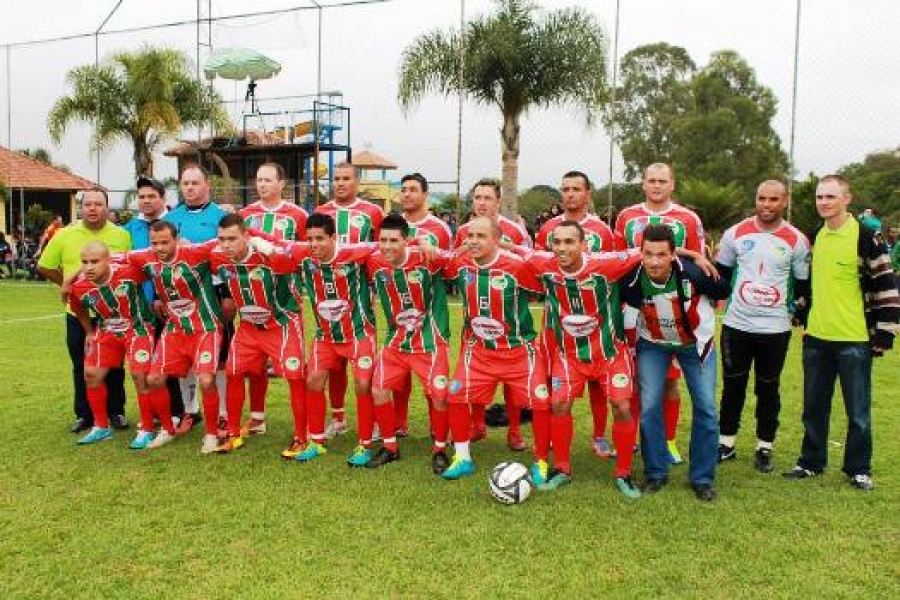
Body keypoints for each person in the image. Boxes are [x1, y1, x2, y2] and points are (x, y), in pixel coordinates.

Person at [783, 175, 899, 491]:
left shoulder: (866, 237)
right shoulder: (815, 237)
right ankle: (811, 462)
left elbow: (886, 286)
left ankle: (858, 469)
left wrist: (884, 334)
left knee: (858, 412)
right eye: (820, 197)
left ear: (847, 199)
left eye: (831, 197)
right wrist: (801, 310)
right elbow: (809, 284)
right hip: (817, 339)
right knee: (813, 408)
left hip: (855, 340)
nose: (824, 202)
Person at [522, 220, 643, 497]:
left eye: (569, 242)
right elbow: (517, 250)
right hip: (570, 356)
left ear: (583, 245)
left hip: (609, 353)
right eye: (557, 242)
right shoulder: (545, 264)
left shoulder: (606, 265)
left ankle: (624, 472)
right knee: (559, 405)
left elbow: (646, 250)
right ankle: (562, 468)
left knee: (622, 406)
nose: (562, 248)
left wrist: (692, 254)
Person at [621, 224, 730, 501]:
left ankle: (702, 478)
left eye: (661, 254)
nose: (654, 261)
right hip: (653, 345)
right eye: (648, 254)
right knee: (648, 407)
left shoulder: (694, 273)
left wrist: (699, 258)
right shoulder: (632, 275)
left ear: (672, 256)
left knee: (706, 408)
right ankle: (655, 472)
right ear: (640, 254)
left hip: (695, 346)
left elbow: (722, 289)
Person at [439, 217, 551, 481]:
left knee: (541, 403)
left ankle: (542, 462)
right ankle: (462, 457)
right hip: (479, 351)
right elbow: (439, 263)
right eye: (470, 236)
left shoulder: (518, 267)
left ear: (496, 239)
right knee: (455, 395)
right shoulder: (461, 263)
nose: (474, 241)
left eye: (481, 236)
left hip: (519, 351)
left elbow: (544, 287)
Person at [714, 180, 810, 472]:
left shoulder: (796, 240)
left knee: (768, 388)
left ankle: (764, 446)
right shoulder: (735, 234)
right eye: (761, 199)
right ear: (755, 199)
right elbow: (719, 277)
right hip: (737, 324)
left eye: (773, 199)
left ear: (784, 201)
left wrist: (799, 313)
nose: (766, 205)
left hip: (775, 329)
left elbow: (804, 286)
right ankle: (726, 443)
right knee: (733, 386)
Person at [614, 162, 706, 465]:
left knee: (670, 380)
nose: (656, 185)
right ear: (643, 184)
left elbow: (699, 265)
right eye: (651, 180)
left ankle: (669, 441)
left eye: (662, 181)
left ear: (672, 184)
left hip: (673, 313)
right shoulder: (627, 217)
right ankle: (644, 439)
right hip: (635, 308)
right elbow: (619, 260)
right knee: (641, 377)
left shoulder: (688, 218)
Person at [116, 220, 226, 454]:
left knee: (206, 381)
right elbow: (113, 258)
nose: (159, 248)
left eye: (165, 242)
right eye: (154, 243)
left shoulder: (194, 253)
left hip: (205, 328)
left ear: (176, 239)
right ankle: (167, 429)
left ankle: (211, 434)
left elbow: (225, 239)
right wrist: (71, 277)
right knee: (154, 379)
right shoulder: (145, 257)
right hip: (175, 330)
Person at [209, 214, 309, 458]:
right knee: (233, 372)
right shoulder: (217, 257)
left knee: (295, 377)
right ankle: (233, 434)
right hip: (249, 326)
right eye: (222, 239)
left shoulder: (268, 257)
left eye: (232, 238)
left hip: (282, 322)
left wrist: (267, 244)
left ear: (247, 236)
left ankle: (302, 436)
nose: (226, 245)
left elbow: (294, 259)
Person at [535, 171, 617, 460]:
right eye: (565, 189)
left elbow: (610, 272)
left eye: (576, 189)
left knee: (597, 376)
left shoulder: (602, 231)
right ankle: (548, 441)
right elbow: (540, 267)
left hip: (593, 319)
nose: (570, 194)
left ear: (588, 193)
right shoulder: (548, 229)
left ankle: (599, 436)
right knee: (550, 377)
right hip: (556, 317)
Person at [38, 189, 132, 433]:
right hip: (77, 315)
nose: (92, 208)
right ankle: (84, 414)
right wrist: (68, 286)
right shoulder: (64, 235)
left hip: (112, 314)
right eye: (87, 204)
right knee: (81, 365)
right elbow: (45, 266)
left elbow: (128, 267)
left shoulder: (122, 235)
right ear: (81, 208)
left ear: (107, 208)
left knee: (114, 365)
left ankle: (116, 411)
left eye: (98, 204)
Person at [365, 213, 452, 472]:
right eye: (383, 240)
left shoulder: (426, 259)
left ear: (406, 241)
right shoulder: (374, 261)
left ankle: (439, 449)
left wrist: (428, 244)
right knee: (378, 390)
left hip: (430, 342)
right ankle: (390, 447)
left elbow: (457, 258)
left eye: (394, 240)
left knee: (438, 396)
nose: (387, 246)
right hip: (396, 342)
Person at [67, 242, 175, 447]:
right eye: (84, 262)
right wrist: (89, 331)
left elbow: (155, 269)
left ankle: (147, 428)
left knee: (140, 376)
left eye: (95, 262)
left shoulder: (129, 272)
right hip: (107, 330)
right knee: (91, 374)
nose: (89, 267)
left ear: (108, 260)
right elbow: (78, 307)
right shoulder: (79, 286)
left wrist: (161, 298)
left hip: (139, 329)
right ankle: (101, 427)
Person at [453, 178, 533, 448]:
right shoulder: (464, 230)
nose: (482, 203)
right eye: (477, 198)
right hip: (475, 320)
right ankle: (477, 425)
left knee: (511, 381)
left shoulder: (514, 231)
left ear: (498, 201)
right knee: (473, 375)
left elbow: (529, 267)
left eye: (487, 198)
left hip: (509, 319)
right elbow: (458, 264)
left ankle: (514, 430)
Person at [238, 162, 309, 439]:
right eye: (258, 180)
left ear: (282, 184)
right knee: (254, 365)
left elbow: (306, 251)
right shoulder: (245, 215)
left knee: (292, 367)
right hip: (253, 300)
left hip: (286, 301)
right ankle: (257, 418)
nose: (262, 185)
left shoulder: (298, 216)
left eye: (268, 180)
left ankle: (301, 427)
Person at [315, 162, 384, 439]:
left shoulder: (373, 212)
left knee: (361, 361)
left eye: (346, 179)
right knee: (334, 363)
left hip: (359, 296)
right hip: (329, 295)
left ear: (357, 182)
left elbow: (382, 248)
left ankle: (376, 423)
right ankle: (339, 418)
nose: (340, 183)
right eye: (336, 179)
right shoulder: (321, 211)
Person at [165, 165, 231, 431]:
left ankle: (224, 411)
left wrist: (228, 294)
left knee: (221, 356)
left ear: (207, 186)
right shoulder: (172, 218)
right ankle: (191, 411)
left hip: (214, 291)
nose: (190, 188)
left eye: (195, 183)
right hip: (182, 295)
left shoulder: (220, 216)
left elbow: (228, 253)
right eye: (185, 183)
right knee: (187, 354)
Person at [392, 172, 454, 437]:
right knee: (398, 373)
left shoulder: (439, 228)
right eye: (403, 189)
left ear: (425, 195)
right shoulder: (392, 224)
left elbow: (448, 267)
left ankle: (436, 427)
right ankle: (398, 424)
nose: (407, 194)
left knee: (432, 375)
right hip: (398, 308)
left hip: (430, 312)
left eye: (413, 189)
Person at [123, 176, 187, 429]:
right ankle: (153, 414)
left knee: (167, 363)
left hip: (169, 305)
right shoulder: (129, 229)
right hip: (139, 308)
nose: (147, 201)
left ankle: (177, 412)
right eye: (142, 197)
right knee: (145, 363)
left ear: (163, 198)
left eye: (152, 196)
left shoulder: (175, 224)